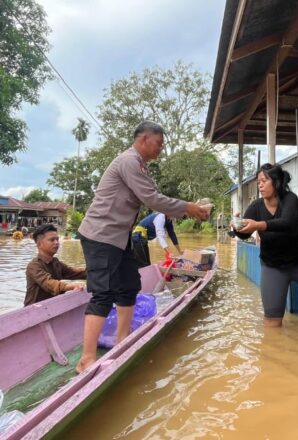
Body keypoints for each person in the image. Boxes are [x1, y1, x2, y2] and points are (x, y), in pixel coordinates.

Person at [75, 121, 210, 373]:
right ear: (144, 139)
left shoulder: (140, 167)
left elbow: (153, 197)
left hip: (119, 237)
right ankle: (86, 358)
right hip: (101, 235)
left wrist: (185, 208)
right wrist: (188, 207)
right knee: (103, 293)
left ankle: (122, 340)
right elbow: (152, 199)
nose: (161, 148)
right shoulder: (128, 161)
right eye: (159, 143)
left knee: (129, 285)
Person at [234, 163, 298, 327]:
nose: (260, 184)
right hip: (272, 267)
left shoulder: (290, 199)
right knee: (272, 321)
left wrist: (258, 225)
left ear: (276, 182)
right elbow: (245, 234)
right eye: (258, 181)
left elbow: (287, 223)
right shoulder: (256, 206)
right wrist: (237, 226)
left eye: (264, 180)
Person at [25, 223, 86, 306]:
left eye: (57, 239)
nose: (56, 242)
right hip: (33, 311)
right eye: (52, 240)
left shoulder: (56, 262)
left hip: (51, 307)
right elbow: (50, 284)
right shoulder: (33, 266)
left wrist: (97, 271)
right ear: (39, 244)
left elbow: (75, 273)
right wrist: (71, 286)